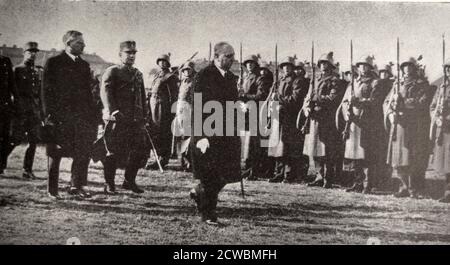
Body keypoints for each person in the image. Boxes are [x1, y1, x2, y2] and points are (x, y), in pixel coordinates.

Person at [41, 30, 98, 199]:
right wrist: (49, 117)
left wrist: (92, 116)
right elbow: (46, 92)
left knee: (82, 152)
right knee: (55, 153)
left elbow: (88, 94)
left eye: (83, 42)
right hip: (59, 117)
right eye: (79, 43)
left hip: (81, 118)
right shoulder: (54, 63)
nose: (83, 45)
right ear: (68, 43)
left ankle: (76, 186)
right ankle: (52, 189)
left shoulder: (84, 65)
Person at [189, 42, 241, 225]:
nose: (231, 59)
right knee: (210, 176)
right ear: (216, 56)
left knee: (226, 174)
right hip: (207, 134)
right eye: (228, 56)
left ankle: (199, 191)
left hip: (226, 134)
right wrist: (201, 136)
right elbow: (196, 106)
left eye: (233, 56)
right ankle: (208, 215)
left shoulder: (230, 78)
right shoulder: (204, 76)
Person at [99, 40, 148, 194]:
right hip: (118, 119)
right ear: (120, 55)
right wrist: (113, 111)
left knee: (139, 151)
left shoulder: (138, 73)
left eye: (134, 53)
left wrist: (144, 116)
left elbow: (142, 96)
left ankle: (129, 181)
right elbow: (106, 92)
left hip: (135, 120)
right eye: (128, 53)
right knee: (113, 152)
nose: (132, 56)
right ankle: (109, 184)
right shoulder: (113, 71)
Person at [383, 56, 432, 198]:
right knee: (398, 159)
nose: (407, 69)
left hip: (412, 125)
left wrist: (403, 103)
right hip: (398, 125)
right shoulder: (397, 83)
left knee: (411, 158)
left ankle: (413, 188)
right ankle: (403, 186)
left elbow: (422, 101)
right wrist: (391, 112)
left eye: (410, 66)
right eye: (405, 66)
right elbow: (386, 101)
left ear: (415, 68)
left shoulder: (421, 84)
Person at [336, 55, 385, 193]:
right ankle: (357, 182)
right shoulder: (353, 82)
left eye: (365, 65)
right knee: (354, 154)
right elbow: (345, 101)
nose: (363, 67)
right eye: (360, 65)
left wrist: (359, 101)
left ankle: (367, 184)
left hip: (367, 122)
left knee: (366, 154)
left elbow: (375, 101)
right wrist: (347, 112)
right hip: (353, 121)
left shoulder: (375, 82)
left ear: (370, 67)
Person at [301, 52, 345, 188]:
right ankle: (319, 176)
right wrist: (307, 107)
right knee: (314, 148)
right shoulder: (315, 79)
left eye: (325, 63)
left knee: (326, 149)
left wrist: (317, 99)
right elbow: (308, 96)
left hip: (327, 118)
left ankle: (328, 178)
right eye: (321, 63)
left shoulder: (334, 80)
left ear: (330, 65)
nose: (323, 66)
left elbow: (333, 98)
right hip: (314, 117)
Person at [267, 56, 309, 183]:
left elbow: (295, 99)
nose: (286, 68)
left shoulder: (297, 81)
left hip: (289, 116)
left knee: (287, 145)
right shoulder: (280, 80)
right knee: (277, 144)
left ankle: (288, 174)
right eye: (284, 66)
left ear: (292, 68)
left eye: (288, 66)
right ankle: (278, 172)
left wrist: (278, 98)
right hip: (278, 115)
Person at [9, 42, 42, 179]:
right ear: (24, 53)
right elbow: (12, 91)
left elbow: (38, 92)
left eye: (35, 52)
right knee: (15, 140)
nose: (33, 54)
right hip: (20, 110)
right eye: (30, 52)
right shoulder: (17, 70)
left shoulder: (37, 71)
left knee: (33, 141)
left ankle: (27, 170)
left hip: (34, 111)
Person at [238, 55, 270, 180]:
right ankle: (246, 168)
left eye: (252, 63)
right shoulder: (245, 77)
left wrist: (246, 97)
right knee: (246, 141)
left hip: (255, 111)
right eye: (247, 63)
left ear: (255, 65)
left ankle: (254, 170)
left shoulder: (259, 78)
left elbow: (261, 95)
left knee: (254, 142)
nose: (249, 65)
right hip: (245, 111)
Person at [145, 54, 179, 170]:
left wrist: (172, 111)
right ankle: (156, 157)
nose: (162, 63)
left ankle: (163, 159)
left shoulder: (171, 77)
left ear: (168, 63)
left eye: (164, 61)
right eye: (160, 61)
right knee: (154, 130)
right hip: (153, 105)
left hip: (163, 107)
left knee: (163, 132)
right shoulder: (157, 75)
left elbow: (173, 96)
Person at [430, 58, 450, 203]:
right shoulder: (442, 87)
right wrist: (436, 117)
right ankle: (447, 191)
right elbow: (433, 106)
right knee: (445, 162)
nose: (449, 71)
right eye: (447, 68)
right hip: (442, 128)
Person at [174, 60, 196, 171]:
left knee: (188, 135)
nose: (187, 71)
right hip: (180, 108)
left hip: (189, 108)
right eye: (185, 70)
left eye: (189, 69)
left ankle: (189, 162)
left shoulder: (195, 82)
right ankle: (181, 161)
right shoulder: (183, 82)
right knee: (180, 134)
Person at [0, 54, 18, 176]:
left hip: (5, 106)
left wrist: (16, 102)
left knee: (4, 137)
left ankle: (1, 166)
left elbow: (12, 84)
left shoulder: (5, 60)